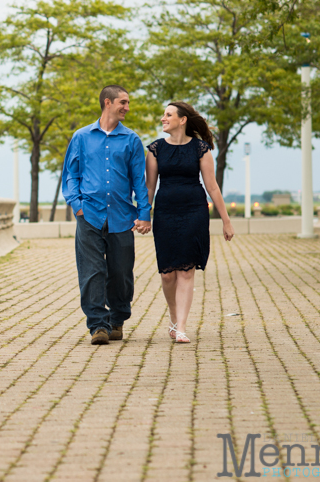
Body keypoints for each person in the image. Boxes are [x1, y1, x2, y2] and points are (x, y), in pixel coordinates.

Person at [62, 85, 152, 345]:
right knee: (91, 271)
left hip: (122, 216)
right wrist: (76, 205)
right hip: (89, 214)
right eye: (123, 102)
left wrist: (144, 213)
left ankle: (118, 319)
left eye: (127, 102)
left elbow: (139, 180)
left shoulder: (132, 140)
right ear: (107, 102)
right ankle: (98, 325)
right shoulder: (81, 137)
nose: (127, 107)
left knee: (121, 272)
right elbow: (71, 175)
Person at [146, 101, 234, 344]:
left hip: (194, 211)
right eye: (163, 114)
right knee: (167, 275)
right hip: (165, 213)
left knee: (186, 270)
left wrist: (226, 221)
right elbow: (149, 188)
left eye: (168, 114)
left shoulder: (201, 148)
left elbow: (212, 187)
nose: (163, 118)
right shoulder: (155, 149)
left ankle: (182, 328)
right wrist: (143, 214)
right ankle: (174, 319)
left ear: (182, 120)